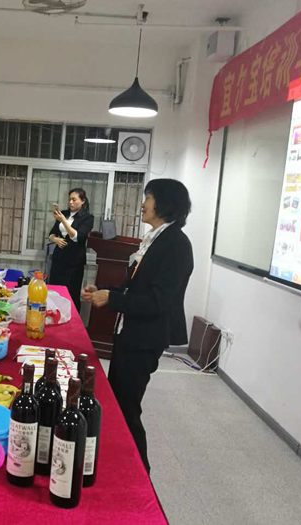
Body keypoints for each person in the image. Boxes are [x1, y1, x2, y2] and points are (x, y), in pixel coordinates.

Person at [82, 178, 194, 474]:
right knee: (118, 402)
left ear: (164, 203)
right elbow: (132, 286)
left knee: (128, 407)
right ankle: (118, 464)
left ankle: (139, 474)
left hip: (146, 338)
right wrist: (104, 291)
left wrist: (113, 299)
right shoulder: (155, 239)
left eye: (148, 198)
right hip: (129, 333)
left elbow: (159, 301)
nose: (142, 204)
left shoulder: (176, 245)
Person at [47, 188, 94, 311]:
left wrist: (63, 221)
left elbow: (78, 237)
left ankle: (73, 319)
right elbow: (51, 234)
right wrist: (55, 239)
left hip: (74, 261)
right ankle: (54, 315)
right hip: (59, 258)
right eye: (69, 199)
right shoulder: (64, 213)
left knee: (71, 293)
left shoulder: (87, 218)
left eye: (74, 199)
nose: (71, 202)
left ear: (82, 201)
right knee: (55, 291)